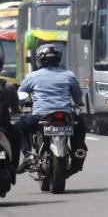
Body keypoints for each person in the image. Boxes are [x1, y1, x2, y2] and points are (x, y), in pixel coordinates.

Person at [15, 44, 87, 176]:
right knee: (80, 126)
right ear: (58, 59)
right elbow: (77, 95)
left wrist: (20, 105)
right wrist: (78, 103)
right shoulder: (68, 75)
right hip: (66, 114)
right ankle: (78, 150)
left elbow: (21, 94)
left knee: (19, 127)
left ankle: (27, 155)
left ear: (39, 60)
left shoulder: (32, 76)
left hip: (40, 115)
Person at [0, 55, 21, 171]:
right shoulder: (6, 85)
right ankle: (13, 166)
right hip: (3, 127)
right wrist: (15, 110)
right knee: (16, 137)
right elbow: (14, 107)